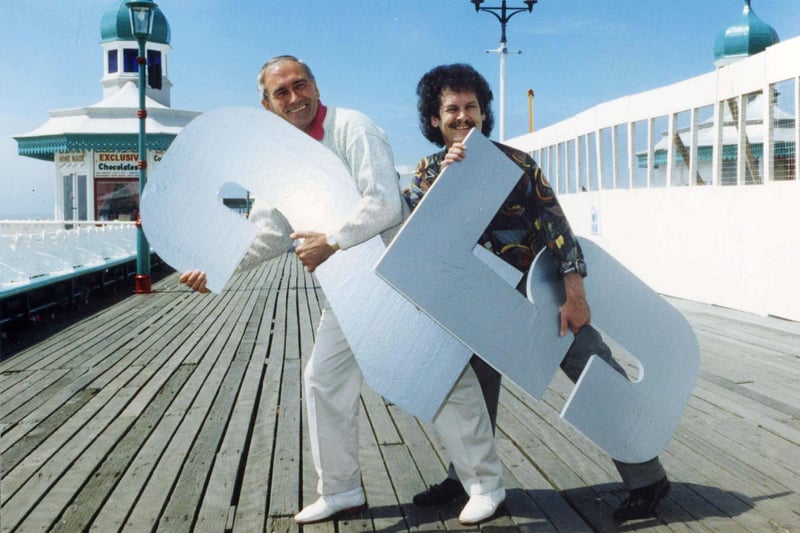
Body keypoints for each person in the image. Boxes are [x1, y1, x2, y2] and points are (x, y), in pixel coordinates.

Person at [180, 55, 505, 526]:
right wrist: (216, 267)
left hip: (396, 271)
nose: (295, 98)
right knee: (323, 379)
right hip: (349, 284)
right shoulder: (278, 155)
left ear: (315, 84)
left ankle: (486, 486)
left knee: (444, 375)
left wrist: (331, 241)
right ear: (267, 104)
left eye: (301, 84)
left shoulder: (355, 127)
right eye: (282, 92)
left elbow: (384, 203)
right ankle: (342, 490)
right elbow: (271, 230)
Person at [406, 63, 671, 524]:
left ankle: (647, 477)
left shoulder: (518, 163)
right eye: (452, 108)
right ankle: (466, 476)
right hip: (477, 300)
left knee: (595, 373)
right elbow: (418, 236)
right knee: (470, 393)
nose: (463, 116)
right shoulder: (427, 173)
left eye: (471, 106)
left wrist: (576, 295)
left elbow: (558, 229)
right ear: (435, 118)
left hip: (540, 295)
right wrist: (446, 180)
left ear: (483, 113)